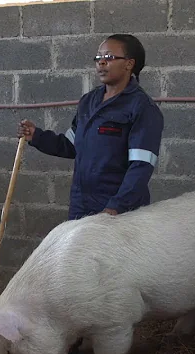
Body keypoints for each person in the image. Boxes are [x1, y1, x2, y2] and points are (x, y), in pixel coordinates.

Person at [17, 33, 164, 220]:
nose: (101, 63)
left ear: (129, 64)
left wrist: (116, 207)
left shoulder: (142, 108)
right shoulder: (89, 101)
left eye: (109, 57)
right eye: (98, 57)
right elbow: (71, 145)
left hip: (119, 212)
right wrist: (36, 136)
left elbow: (140, 167)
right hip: (81, 205)